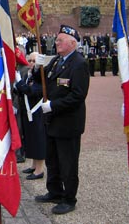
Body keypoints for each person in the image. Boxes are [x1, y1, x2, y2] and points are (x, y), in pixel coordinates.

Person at [32, 25, 90, 215]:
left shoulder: (79, 63)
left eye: (60, 40)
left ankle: (69, 198)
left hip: (67, 123)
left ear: (72, 43)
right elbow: (42, 80)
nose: (56, 43)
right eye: (56, 40)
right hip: (52, 122)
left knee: (68, 163)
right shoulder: (57, 60)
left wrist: (54, 106)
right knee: (53, 160)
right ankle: (55, 192)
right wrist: (37, 67)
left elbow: (78, 95)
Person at [15, 52, 46, 180]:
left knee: (38, 140)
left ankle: (39, 170)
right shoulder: (29, 76)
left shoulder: (41, 77)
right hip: (28, 112)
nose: (32, 63)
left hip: (37, 113)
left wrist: (19, 82)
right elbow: (23, 91)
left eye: (34, 61)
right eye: (30, 60)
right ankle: (34, 165)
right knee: (31, 139)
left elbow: (32, 91)